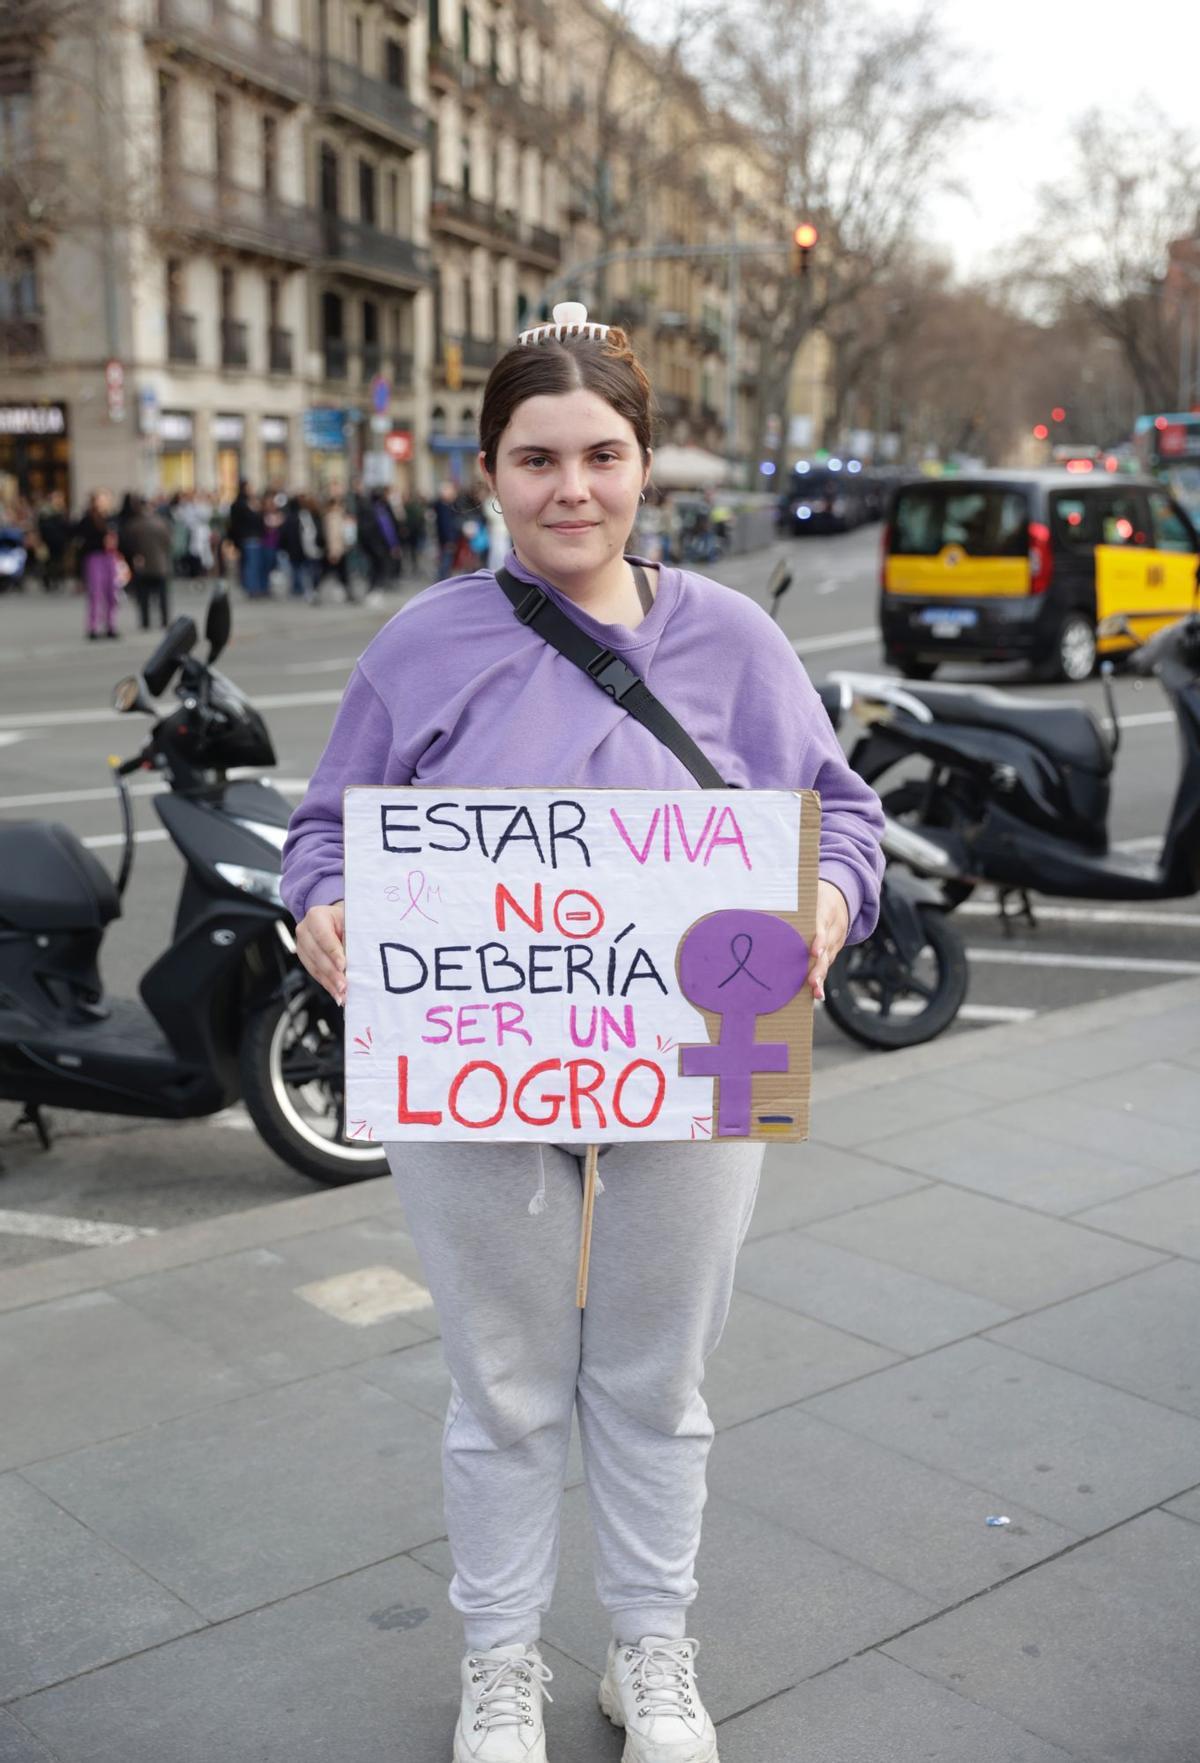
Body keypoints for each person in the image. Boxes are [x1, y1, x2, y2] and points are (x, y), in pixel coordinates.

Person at [279, 307, 884, 1763]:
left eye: (602, 455)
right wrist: (325, 906)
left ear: (645, 464)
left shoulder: (732, 636)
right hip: (471, 1054)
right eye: (537, 458)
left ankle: (650, 1647)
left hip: (708, 1039)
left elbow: (846, 811)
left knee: (657, 1377)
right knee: (502, 1379)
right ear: (486, 470)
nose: (573, 489)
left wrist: (825, 897)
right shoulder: (422, 642)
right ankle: (501, 1660)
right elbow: (321, 830)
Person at [75, 490, 122, 640]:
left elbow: (121, 538)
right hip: (94, 557)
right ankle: (93, 627)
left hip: (110, 557)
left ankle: (111, 625)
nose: (104, 502)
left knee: (112, 593)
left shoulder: (112, 518)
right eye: (102, 499)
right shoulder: (87, 519)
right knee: (95, 593)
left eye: (106, 499)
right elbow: (81, 539)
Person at [122, 494, 173, 629]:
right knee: (162, 596)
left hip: (142, 564)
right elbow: (168, 543)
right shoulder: (161, 523)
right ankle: (164, 620)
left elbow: (129, 545)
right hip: (160, 564)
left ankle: (145, 622)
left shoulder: (134, 524)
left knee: (144, 596)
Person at [433, 479, 462, 579]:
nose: (453, 493)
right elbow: (446, 525)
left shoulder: (446, 505)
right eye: (451, 491)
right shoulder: (443, 507)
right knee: (445, 564)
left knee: (446, 564)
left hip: (447, 540)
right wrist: (449, 540)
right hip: (447, 541)